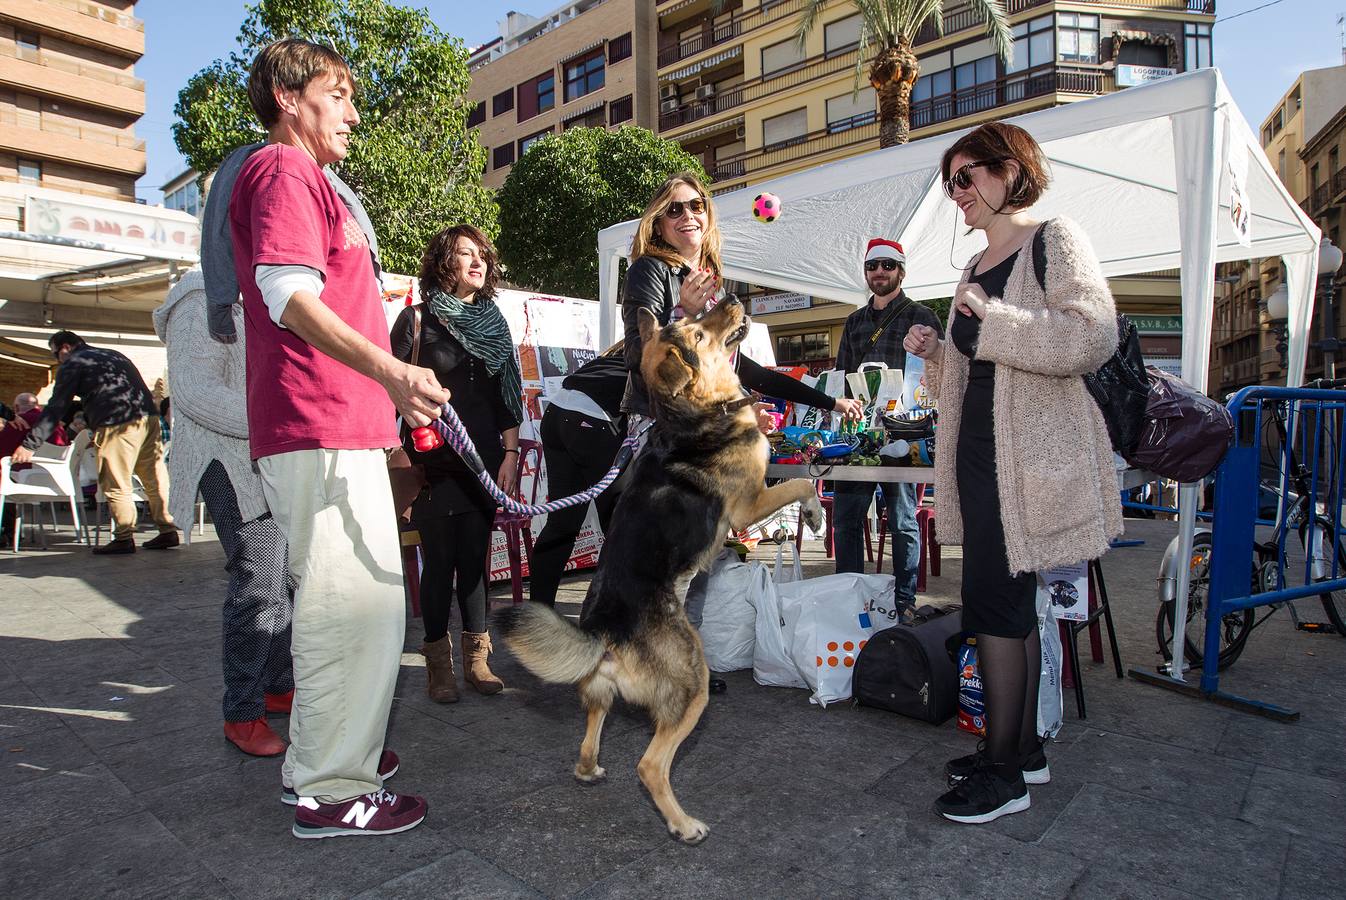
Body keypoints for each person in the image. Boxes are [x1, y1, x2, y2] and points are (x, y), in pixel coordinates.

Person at [229, 38, 448, 839]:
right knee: (345, 608)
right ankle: (330, 787)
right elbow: (286, 293)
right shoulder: (284, 169)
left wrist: (384, 403)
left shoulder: (310, 181)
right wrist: (391, 373)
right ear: (290, 98)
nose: (355, 113)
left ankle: (323, 760)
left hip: (333, 424)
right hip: (315, 421)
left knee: (359, 607)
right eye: (339, 94)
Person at [903, 122, 1121, 824]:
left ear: (1009, 170)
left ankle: (1003, 775)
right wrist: (938, 351)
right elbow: (968, 372)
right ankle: (1022, 748)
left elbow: (1092, 333)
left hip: (1024, 463)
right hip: (980, 455)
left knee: (996, 607)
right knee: (1009, 604)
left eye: (965, 177)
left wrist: (994, 324)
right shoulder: (972, 268)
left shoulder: (1054, 238)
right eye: (950, 184)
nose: (956, 195)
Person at [617, 172, 864, 692]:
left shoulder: (709, 287)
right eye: (676, 209)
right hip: (669, 436)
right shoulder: (649, 272)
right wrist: (683, 311)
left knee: (700, 556)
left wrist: (827, 399)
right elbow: (646, 356)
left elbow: (745, 369)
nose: (690, 216)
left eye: (698, 207)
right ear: (658, 223)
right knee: (669, 563)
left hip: (708, 440)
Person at [153, 269, 295, 758]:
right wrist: (284, 417)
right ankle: (242, 713)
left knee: (282, 581)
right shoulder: (199, 298)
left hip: (269, 455)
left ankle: (276, 684)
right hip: (229, 462)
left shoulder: (265, 292)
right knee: (258, 586)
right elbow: (195, 392)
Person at [390, 224, 522, 704]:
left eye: (481, 254)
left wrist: (509, 454)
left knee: (474, 560)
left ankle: (477, 659)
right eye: (464, 253)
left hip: (484, 460)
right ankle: (437, 663)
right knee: (439, 560)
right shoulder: (416, 320)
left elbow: (505, 396)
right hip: (433, 459)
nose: (477, 261)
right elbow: (391, 386)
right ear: (444, 262)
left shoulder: (494, 321)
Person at [832, 239, 943, 598]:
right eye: (872, 266)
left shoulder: (922, 316)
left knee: (903, 521)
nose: (879, 271)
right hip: (859, 433)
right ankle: (850, 596)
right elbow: (841, 374)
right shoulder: (853, 322)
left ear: (901, 271)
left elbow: (938, 373)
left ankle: (904, 599)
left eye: (887, 265)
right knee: (846, 520)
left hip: (905, 432)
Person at [12, 331, 177, 554]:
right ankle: (168, 529)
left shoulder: (74, 363)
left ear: (64, 348)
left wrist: (30, 444)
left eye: (55, 355)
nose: (57, 360)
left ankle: (123, 536)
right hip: (148, 419)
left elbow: (57, 406)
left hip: (117, 423)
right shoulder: (113, 355)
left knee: (116, 480)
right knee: (155, 478)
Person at [527, 348, 627, 609]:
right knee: (621, 528)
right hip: (591, 422)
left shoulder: (614, 354)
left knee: (562, 523)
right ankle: (603, 615)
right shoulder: (659, 354)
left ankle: (539, 613)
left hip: (557, 415)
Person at [1, 393, 70, 545]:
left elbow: (2, 450)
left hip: (26, 478)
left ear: (17, 408)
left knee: (2, 476)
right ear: (37, 406)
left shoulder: (20, 422)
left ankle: (7, 531)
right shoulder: (57, 425)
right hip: (58, 481)